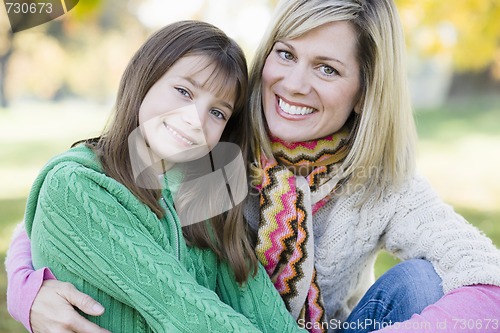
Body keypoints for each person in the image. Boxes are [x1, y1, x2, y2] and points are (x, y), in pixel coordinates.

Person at [6, 0, 500, 332]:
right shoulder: (213, 152)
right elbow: (92, 195)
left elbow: (490, 281)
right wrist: (26, 288)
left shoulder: (383, 182)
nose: (294, 84)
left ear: (365, 92)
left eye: (327, 68)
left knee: (421, 283)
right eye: (285, 54)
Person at [5, 20, 305, 333]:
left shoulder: (204, 202)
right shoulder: (75, 186)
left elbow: (261, 307)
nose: (196, 120)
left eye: (217, 112)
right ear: (145, 77)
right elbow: (180, 309)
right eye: (184, 91)